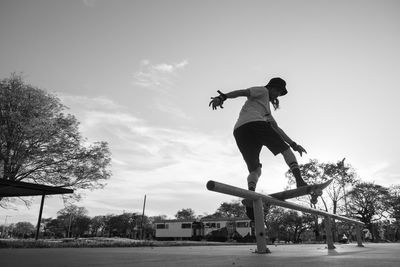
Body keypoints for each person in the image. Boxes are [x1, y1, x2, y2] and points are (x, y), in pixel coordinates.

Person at [209, 77, 308, 219]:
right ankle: (299, 180)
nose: (278, 95)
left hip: (240, 132)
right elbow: (243, 92)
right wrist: (223, 97)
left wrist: (294, 143)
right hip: (256, 125)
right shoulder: (262, 90)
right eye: (278, 92)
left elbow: (276, 128)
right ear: (273, 88)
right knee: (286, 151)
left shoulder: (265, 110)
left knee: (255, 169)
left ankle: (251, 194)